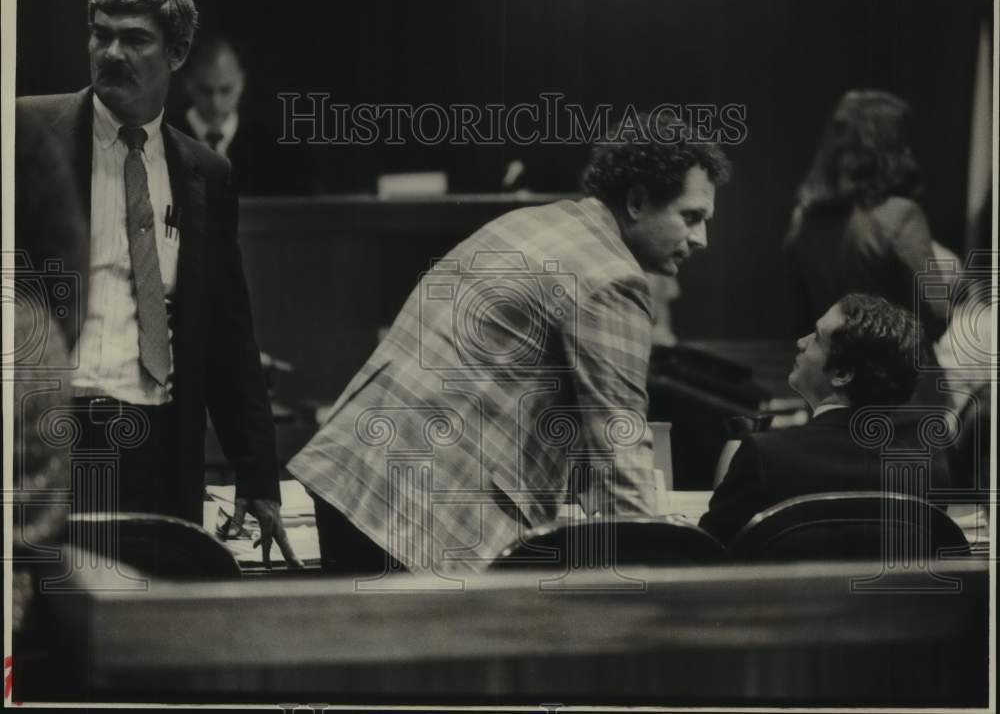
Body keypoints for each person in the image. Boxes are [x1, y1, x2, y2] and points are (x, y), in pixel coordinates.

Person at [288, 112, 732, 574]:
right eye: (691, 217)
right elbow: (619, 448)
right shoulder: (611, 277)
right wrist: (659, 575)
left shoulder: (534, 222)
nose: (701, 239)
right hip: (417, 517)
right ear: (638, 201)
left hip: (350, 476)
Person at [15, 0, 299, 567]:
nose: (111, 52)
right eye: (101, 33)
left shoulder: (206, 175)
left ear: (176, 53)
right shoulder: (25, 132)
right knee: (45, 628)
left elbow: (228, 333)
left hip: (159, 442)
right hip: (50, 434)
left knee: (151, 627)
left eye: (135, 39)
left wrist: (258, 479)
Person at [699, 293, 952, 544]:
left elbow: (708, 551)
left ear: (841, 373)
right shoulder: (929, 476)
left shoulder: (765, 457)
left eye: (817, 338)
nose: (801, 342)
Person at [785, 90, 950, 343]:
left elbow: (796, 313)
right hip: (896, 372)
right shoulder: (902, 215)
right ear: (890, 147)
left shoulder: (803, 220)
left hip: (831, 370)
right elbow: (937, 312)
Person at [177, 35, 320, 195]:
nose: (215, 103)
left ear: (241, 83)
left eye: (225, 90)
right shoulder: (160, 139)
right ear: (188, 84)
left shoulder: (272, 147)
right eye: (205, 91)